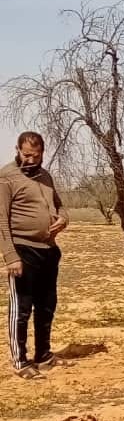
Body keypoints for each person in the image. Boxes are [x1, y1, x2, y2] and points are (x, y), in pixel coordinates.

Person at [0, 132, 69, 379]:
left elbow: (59, 205)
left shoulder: (45, 176)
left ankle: (44, 355)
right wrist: (11, 256)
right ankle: (20, 361)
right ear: (17, 149)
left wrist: (63, 219)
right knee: (22, 307)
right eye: (26, 154)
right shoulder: (6, 177)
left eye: (36, 155)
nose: (30, 159)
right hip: (22, 249)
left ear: (42, 152)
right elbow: (1, 220)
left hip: (48, 250)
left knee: (47, 305)